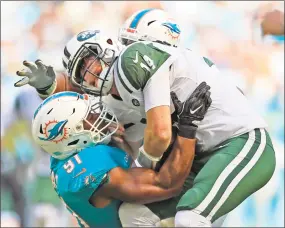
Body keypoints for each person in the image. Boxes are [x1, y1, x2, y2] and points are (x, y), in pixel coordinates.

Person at [31, 85, 211, 227]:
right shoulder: (87, 170)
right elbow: (166, 184)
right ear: (74, 137)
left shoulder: (63, 150)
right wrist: (188, 127)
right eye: (90, 118)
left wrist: (51, 85)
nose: (97, 115)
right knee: (132, 212)